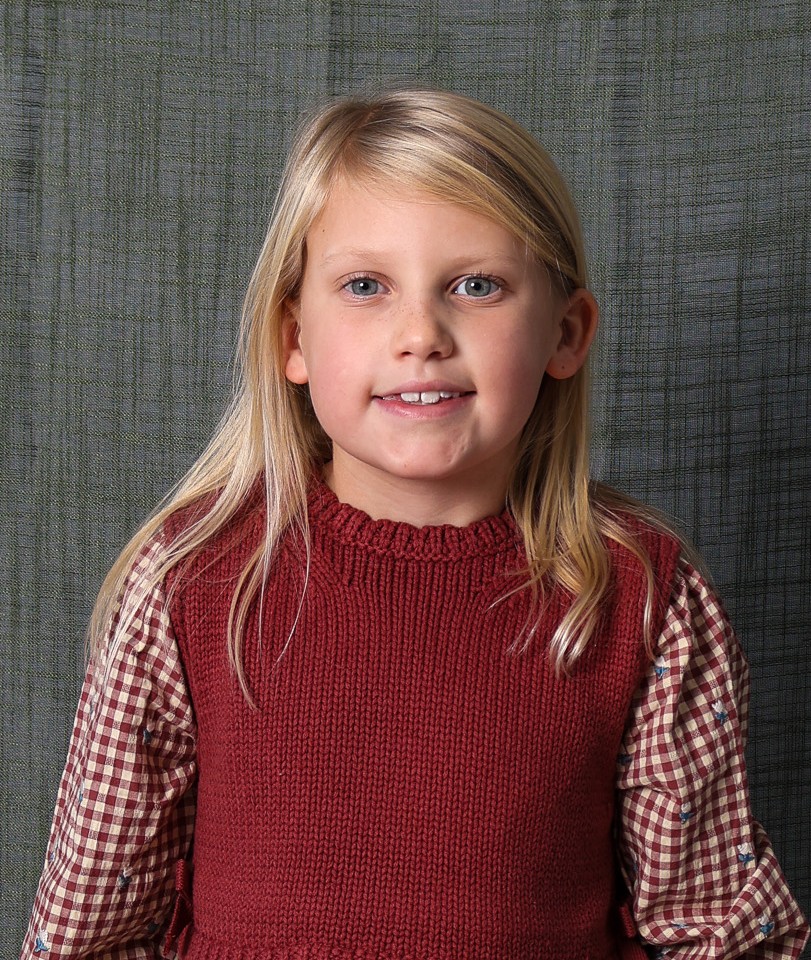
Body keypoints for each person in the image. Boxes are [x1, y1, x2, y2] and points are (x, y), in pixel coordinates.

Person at [21, 89, 808, 960]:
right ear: (293, 338)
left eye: (476, 286)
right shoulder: (192, 580)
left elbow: (714, 932)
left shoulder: (641, 596)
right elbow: (89, 931)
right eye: (365, 286)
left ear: (565, 332)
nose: (420, 334)